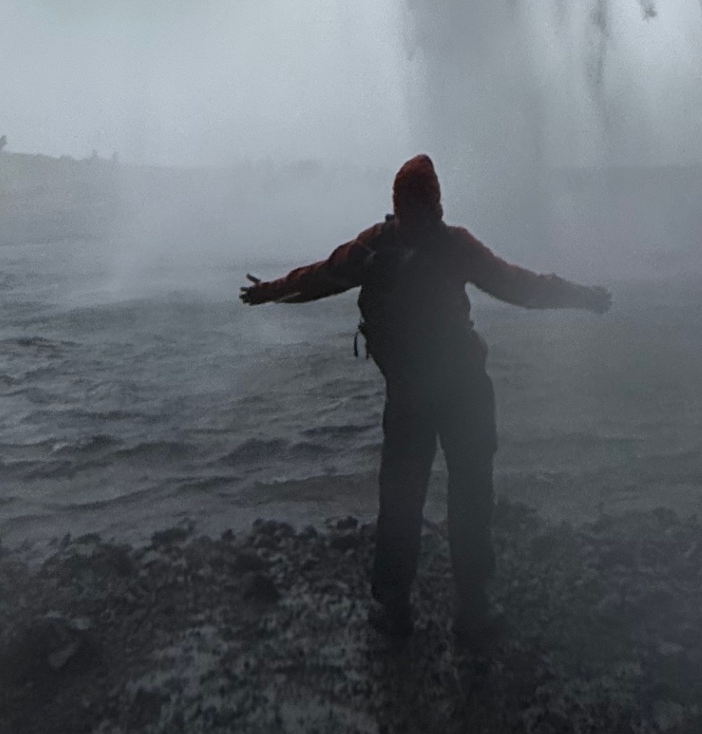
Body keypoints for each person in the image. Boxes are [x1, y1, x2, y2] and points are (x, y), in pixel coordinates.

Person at [240, 154, 611, 642]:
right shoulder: (452, 245)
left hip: (410, 394)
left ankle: (395, 610)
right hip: (464, 390)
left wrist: (269, 292)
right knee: (471, 493)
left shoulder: (374, 247)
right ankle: (472, 609)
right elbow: (519, 286)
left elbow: (315, 279)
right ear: (437, 201)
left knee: (401, 497)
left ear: (397, 202)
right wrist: (581, 296)